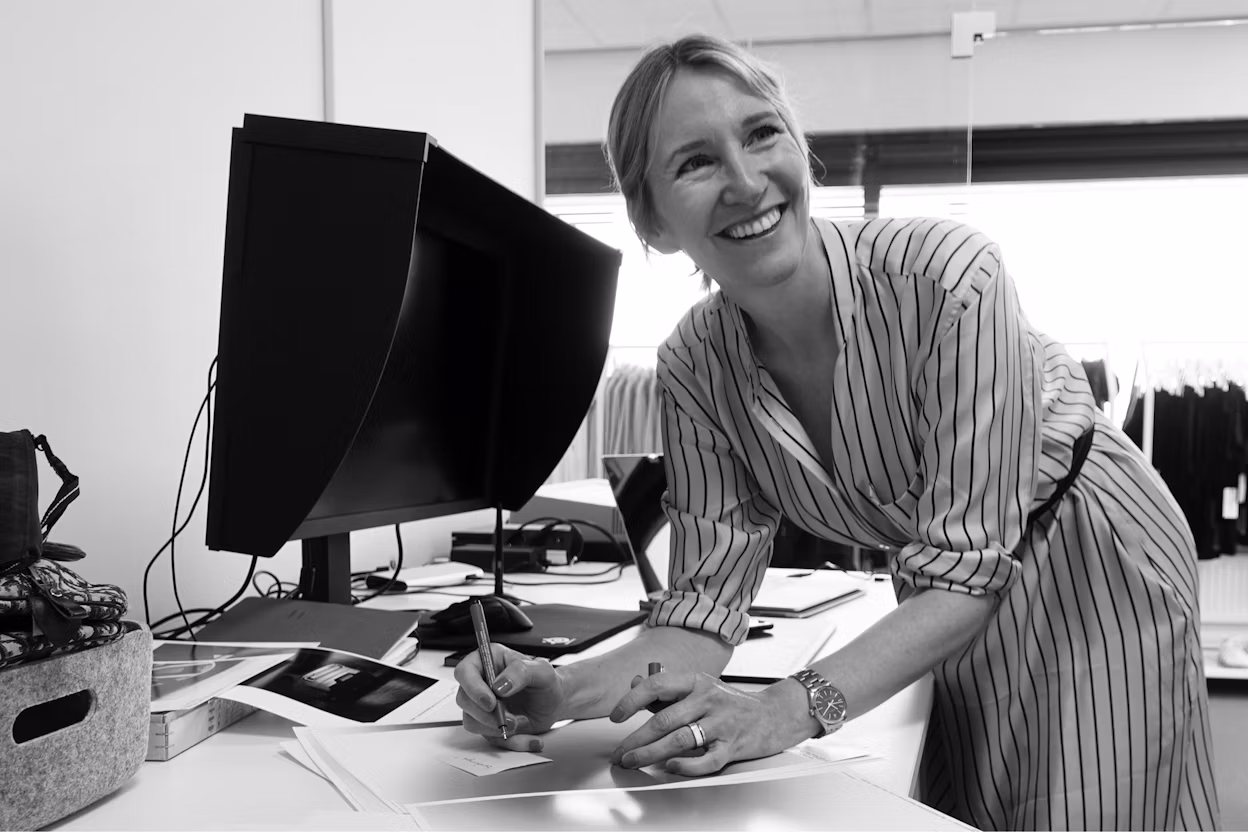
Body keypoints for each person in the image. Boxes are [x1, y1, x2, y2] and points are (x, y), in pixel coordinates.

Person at [455, 33, 1221, 831]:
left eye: (761, 134)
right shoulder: (692, 364)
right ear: (652, 222)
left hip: (1090, 546)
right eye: (696, 162)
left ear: (800, 148)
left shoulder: (953, 277)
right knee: (974, 805)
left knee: (1087, 805)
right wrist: (560, 689)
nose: (748, 183)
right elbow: (703, 610)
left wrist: (790, 706)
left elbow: (966, 570)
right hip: (945, 589)